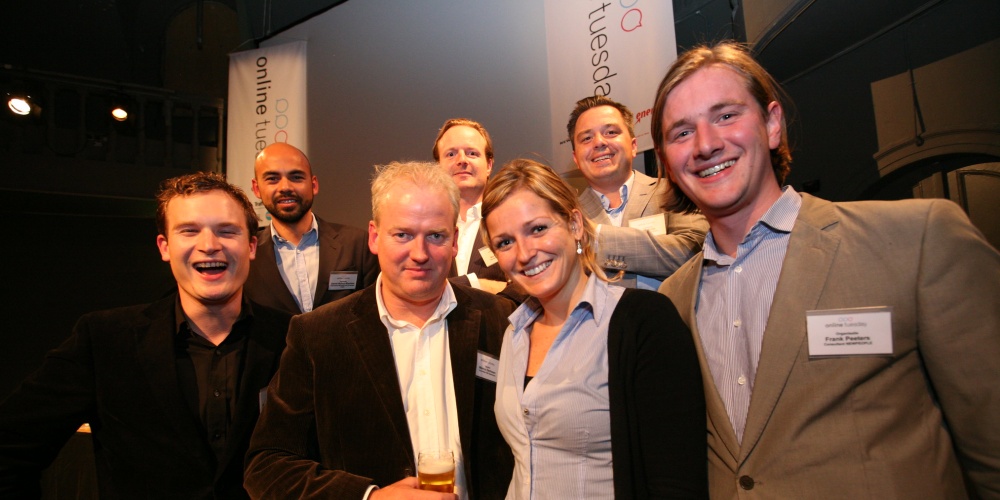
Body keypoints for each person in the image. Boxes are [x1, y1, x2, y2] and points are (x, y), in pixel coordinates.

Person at [653, 41, 1000, 498]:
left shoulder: (915, 241)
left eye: (726, 115)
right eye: (681, 132)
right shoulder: (673, 300)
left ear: (772, 124)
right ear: (666, 161)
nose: (706, 144)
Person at [0, 172, 292, 499]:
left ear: (251, 246)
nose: (209, 245)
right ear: (164, 247)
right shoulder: (104, 340)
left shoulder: (295, 340)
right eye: (189, 231)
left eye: (226, 231)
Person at [245, 161, 514, 500]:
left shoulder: (500, 319)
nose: (419, 254)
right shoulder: (318, 335)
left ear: (455, 241)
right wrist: (369, 497)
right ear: (374, 237)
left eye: (435, 235)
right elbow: (268, 465)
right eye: (403, 235)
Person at [481, 159, 707, 499]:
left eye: (538, 229)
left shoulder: (643, 322)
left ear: (574, 224)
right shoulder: (514, 333)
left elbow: (676, 480)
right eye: (505, 243)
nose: (525, 253)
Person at [567, 96, 708, 289]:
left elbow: (693, 254)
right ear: (576, 158)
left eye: (610, 132)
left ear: (634, 146)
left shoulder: (676, 191)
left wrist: (597, 238)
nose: (599, 142)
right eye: (586, 138)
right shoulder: (566, 216)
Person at [245, 142, 379, 314]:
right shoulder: (245, 254)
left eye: (296, 177)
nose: (285, 187)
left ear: (314, 185)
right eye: (272, 179)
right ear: (256, 188)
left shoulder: (357, 244)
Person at [432, 118, 525, 302]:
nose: (462, 160)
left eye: (472, 153)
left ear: (489, 165)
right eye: (451, 154)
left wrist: (466, 285)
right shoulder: (425, 226)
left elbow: (530, 286)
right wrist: (479, 285)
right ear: (438, 167)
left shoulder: (514, 218)